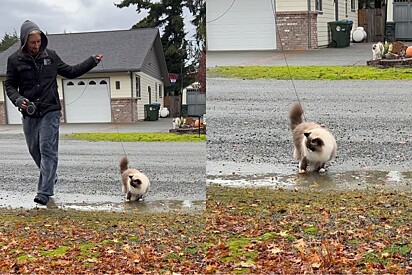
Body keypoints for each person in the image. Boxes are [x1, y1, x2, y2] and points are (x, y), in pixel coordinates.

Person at [5, 20, 103, 206]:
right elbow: (9, 85)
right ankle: (51, 176)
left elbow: (71, 72)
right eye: (32, 42)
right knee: (35, 151)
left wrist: (92, 61)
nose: (36, 45)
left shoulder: (51, 56)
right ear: (24, 41)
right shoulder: (14, 61)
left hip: (50, 110)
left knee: (47, 150)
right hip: (29, 112)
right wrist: (18, 100)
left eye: (39, 41)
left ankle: (44, 192)